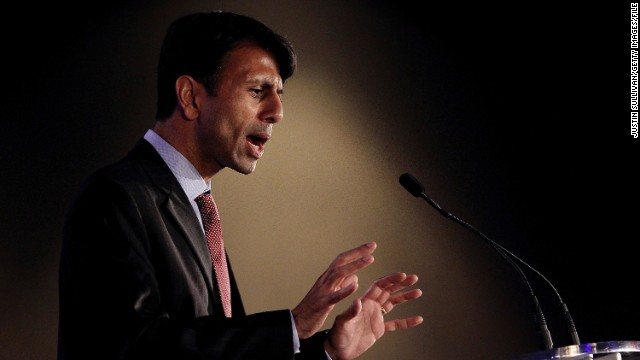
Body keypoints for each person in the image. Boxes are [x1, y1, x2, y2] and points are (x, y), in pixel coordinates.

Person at [57, 10, 423, 360]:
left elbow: (218, 352)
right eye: (258, 90)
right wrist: (291, 327)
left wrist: (325, 350)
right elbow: (135, 350)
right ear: (191, 96)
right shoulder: (113, 198)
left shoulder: (197, 207)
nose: (277, 112)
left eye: (279, 94)